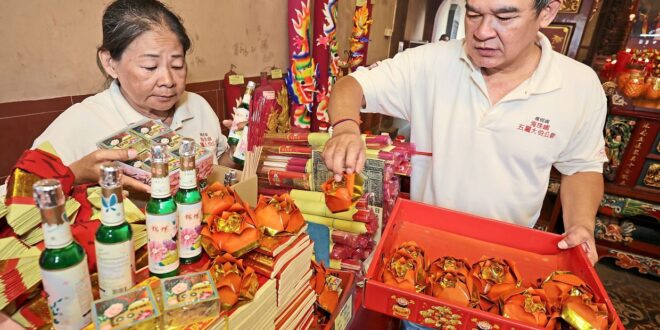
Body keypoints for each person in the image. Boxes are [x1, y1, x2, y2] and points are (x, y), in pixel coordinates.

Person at [322, 0, 606, 264]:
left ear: (547, 13)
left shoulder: (578, 86)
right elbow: (351, 85)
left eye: (504, 17)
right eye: (473, 14)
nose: (482, 32)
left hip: (508, 257)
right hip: (421, 251)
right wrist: (346, 127)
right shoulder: (430, 63)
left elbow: (582, 167)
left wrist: (581, 225)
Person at [32, 0, 228, 192]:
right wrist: (74, 174)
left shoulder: (197, 106)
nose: (168, 80)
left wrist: (240, 150)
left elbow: (218, 169)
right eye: (150, 67)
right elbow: (12, 198)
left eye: (177, 65)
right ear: (110, 63)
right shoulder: (80, 121)